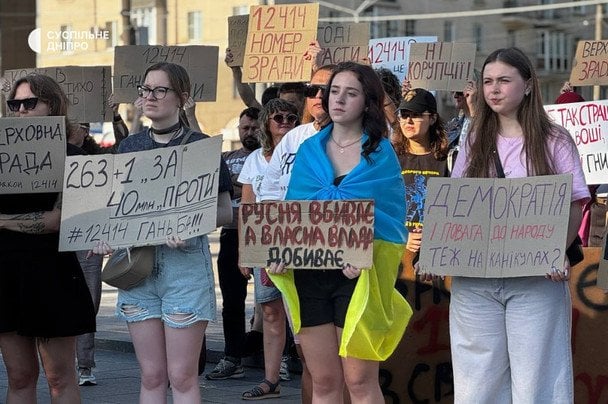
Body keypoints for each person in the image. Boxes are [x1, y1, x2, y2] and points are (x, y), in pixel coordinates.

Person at [444, 47, 590, 403]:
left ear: (527, 85)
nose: (494, 89)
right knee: (477, 383)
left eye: (504, 80)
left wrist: (556, 249)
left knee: (537, 379)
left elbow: (574, 203)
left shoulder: (555, 140)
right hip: (476, 281)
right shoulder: (473, 140)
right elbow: (457, 202)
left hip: (535, 280)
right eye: (488, 81)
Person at [267, 61, 413, 403]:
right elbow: (293, 214)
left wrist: (366, 255)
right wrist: (280, 253)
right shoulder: (308, 150)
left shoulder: (381, 153)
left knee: (360, 382)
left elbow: (392, 224)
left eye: (351, 93)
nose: (338, 99)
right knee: (324, 381)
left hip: (358, 278)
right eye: (334, 91)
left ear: (367, 102)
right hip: (310, 275)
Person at [91, 62, 232, 404]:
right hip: (136, 268)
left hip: (183, 268)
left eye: (159, 90)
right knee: (152, 375)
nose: (149, 97)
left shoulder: (201, 146)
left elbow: (226, 212)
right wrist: (105, 233)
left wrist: (189, 222)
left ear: (182, 97)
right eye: (145, 89)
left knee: (181, 376)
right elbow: (114, 208)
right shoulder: (130, 147)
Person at [0, 73, 96, 402]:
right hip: (6, 273)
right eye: (14, 104)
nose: (21, 110)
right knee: (19, 376)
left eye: (30, 103)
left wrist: (3, 221)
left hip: (53, 272)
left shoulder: (73, 157)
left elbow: (56, 221)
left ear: (52, 105)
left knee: (59, 377)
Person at [259, 64, 336, 404]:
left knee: (349, 361)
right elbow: (269, 194)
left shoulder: (363, 139)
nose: (317, 97)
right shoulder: (292, 138)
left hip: (346, 260)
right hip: (298, 259)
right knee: (309, 357)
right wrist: (274, 245)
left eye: (326, 90)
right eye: (311, 90)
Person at [238, 98, 299, 400]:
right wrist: (244, 252)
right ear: (267, 122)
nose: (285, 122)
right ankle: (271, 380)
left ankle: (316, 376)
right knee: (271, 311)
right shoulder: (255, 160)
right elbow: (247, 208)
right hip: (265, 243)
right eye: (279, 118)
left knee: (300, 313)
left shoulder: (305, 153)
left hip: (300, 240)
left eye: (291, 118)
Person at [206, 107, 261, 380]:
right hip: (231, 234)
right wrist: (244, 185)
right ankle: (232, 357)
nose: (249, 132)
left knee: (273, 302)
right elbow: (215, 183)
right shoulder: (227, 157)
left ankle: (283, 357)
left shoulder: (268, 157)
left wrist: (233, 185)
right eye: (245, 128)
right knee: (231, 301)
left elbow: (261, 189)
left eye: (254, 128)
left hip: (263, 234)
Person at [393, 88, 449, 269]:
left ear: (432, 118)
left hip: (438, 255)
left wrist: (435, 237)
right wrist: (403, 235)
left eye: (416, 115)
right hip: (398, 255)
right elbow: (382, 208)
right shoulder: (390, 159)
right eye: (404, 115)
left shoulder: (449, 160)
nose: (408, 121)